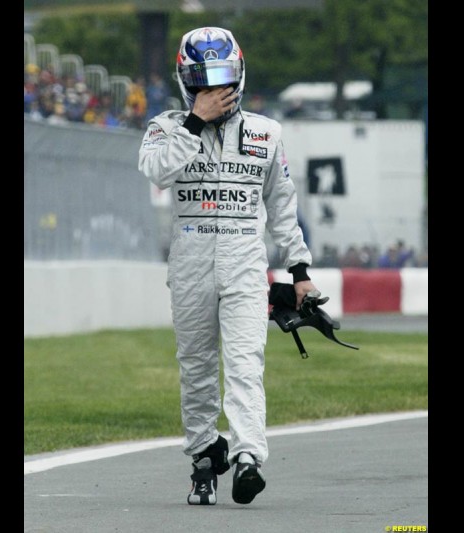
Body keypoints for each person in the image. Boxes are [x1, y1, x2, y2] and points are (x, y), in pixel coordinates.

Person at [138, 26, 318, 506]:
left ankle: (247, 458)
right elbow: (156, 171)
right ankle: (203, 454)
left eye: (223, 77)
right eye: (203, 80)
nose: (215, 89)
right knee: (196, 366)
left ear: (239, 73)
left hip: (244, 258)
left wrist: (299, 270)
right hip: (191, 256)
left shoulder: (266, 131)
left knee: (244, 363)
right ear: (186, 81)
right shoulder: (165, 127)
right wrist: (194, 123)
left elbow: (283, 206)